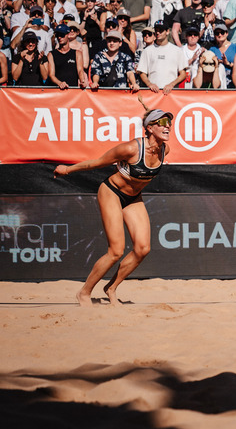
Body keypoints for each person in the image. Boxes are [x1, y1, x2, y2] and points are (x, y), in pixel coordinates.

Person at [53, 103, 173, 306]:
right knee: (115, 251)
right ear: (149, 128)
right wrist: (67, 170)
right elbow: (96, 162)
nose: (167, 126)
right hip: (112, 192)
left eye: (169, 122)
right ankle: (84, 292)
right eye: (161, 122)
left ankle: (111, 287)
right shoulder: (131, 148)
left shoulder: (164, 150)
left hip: (133, 197)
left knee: (143, 249)